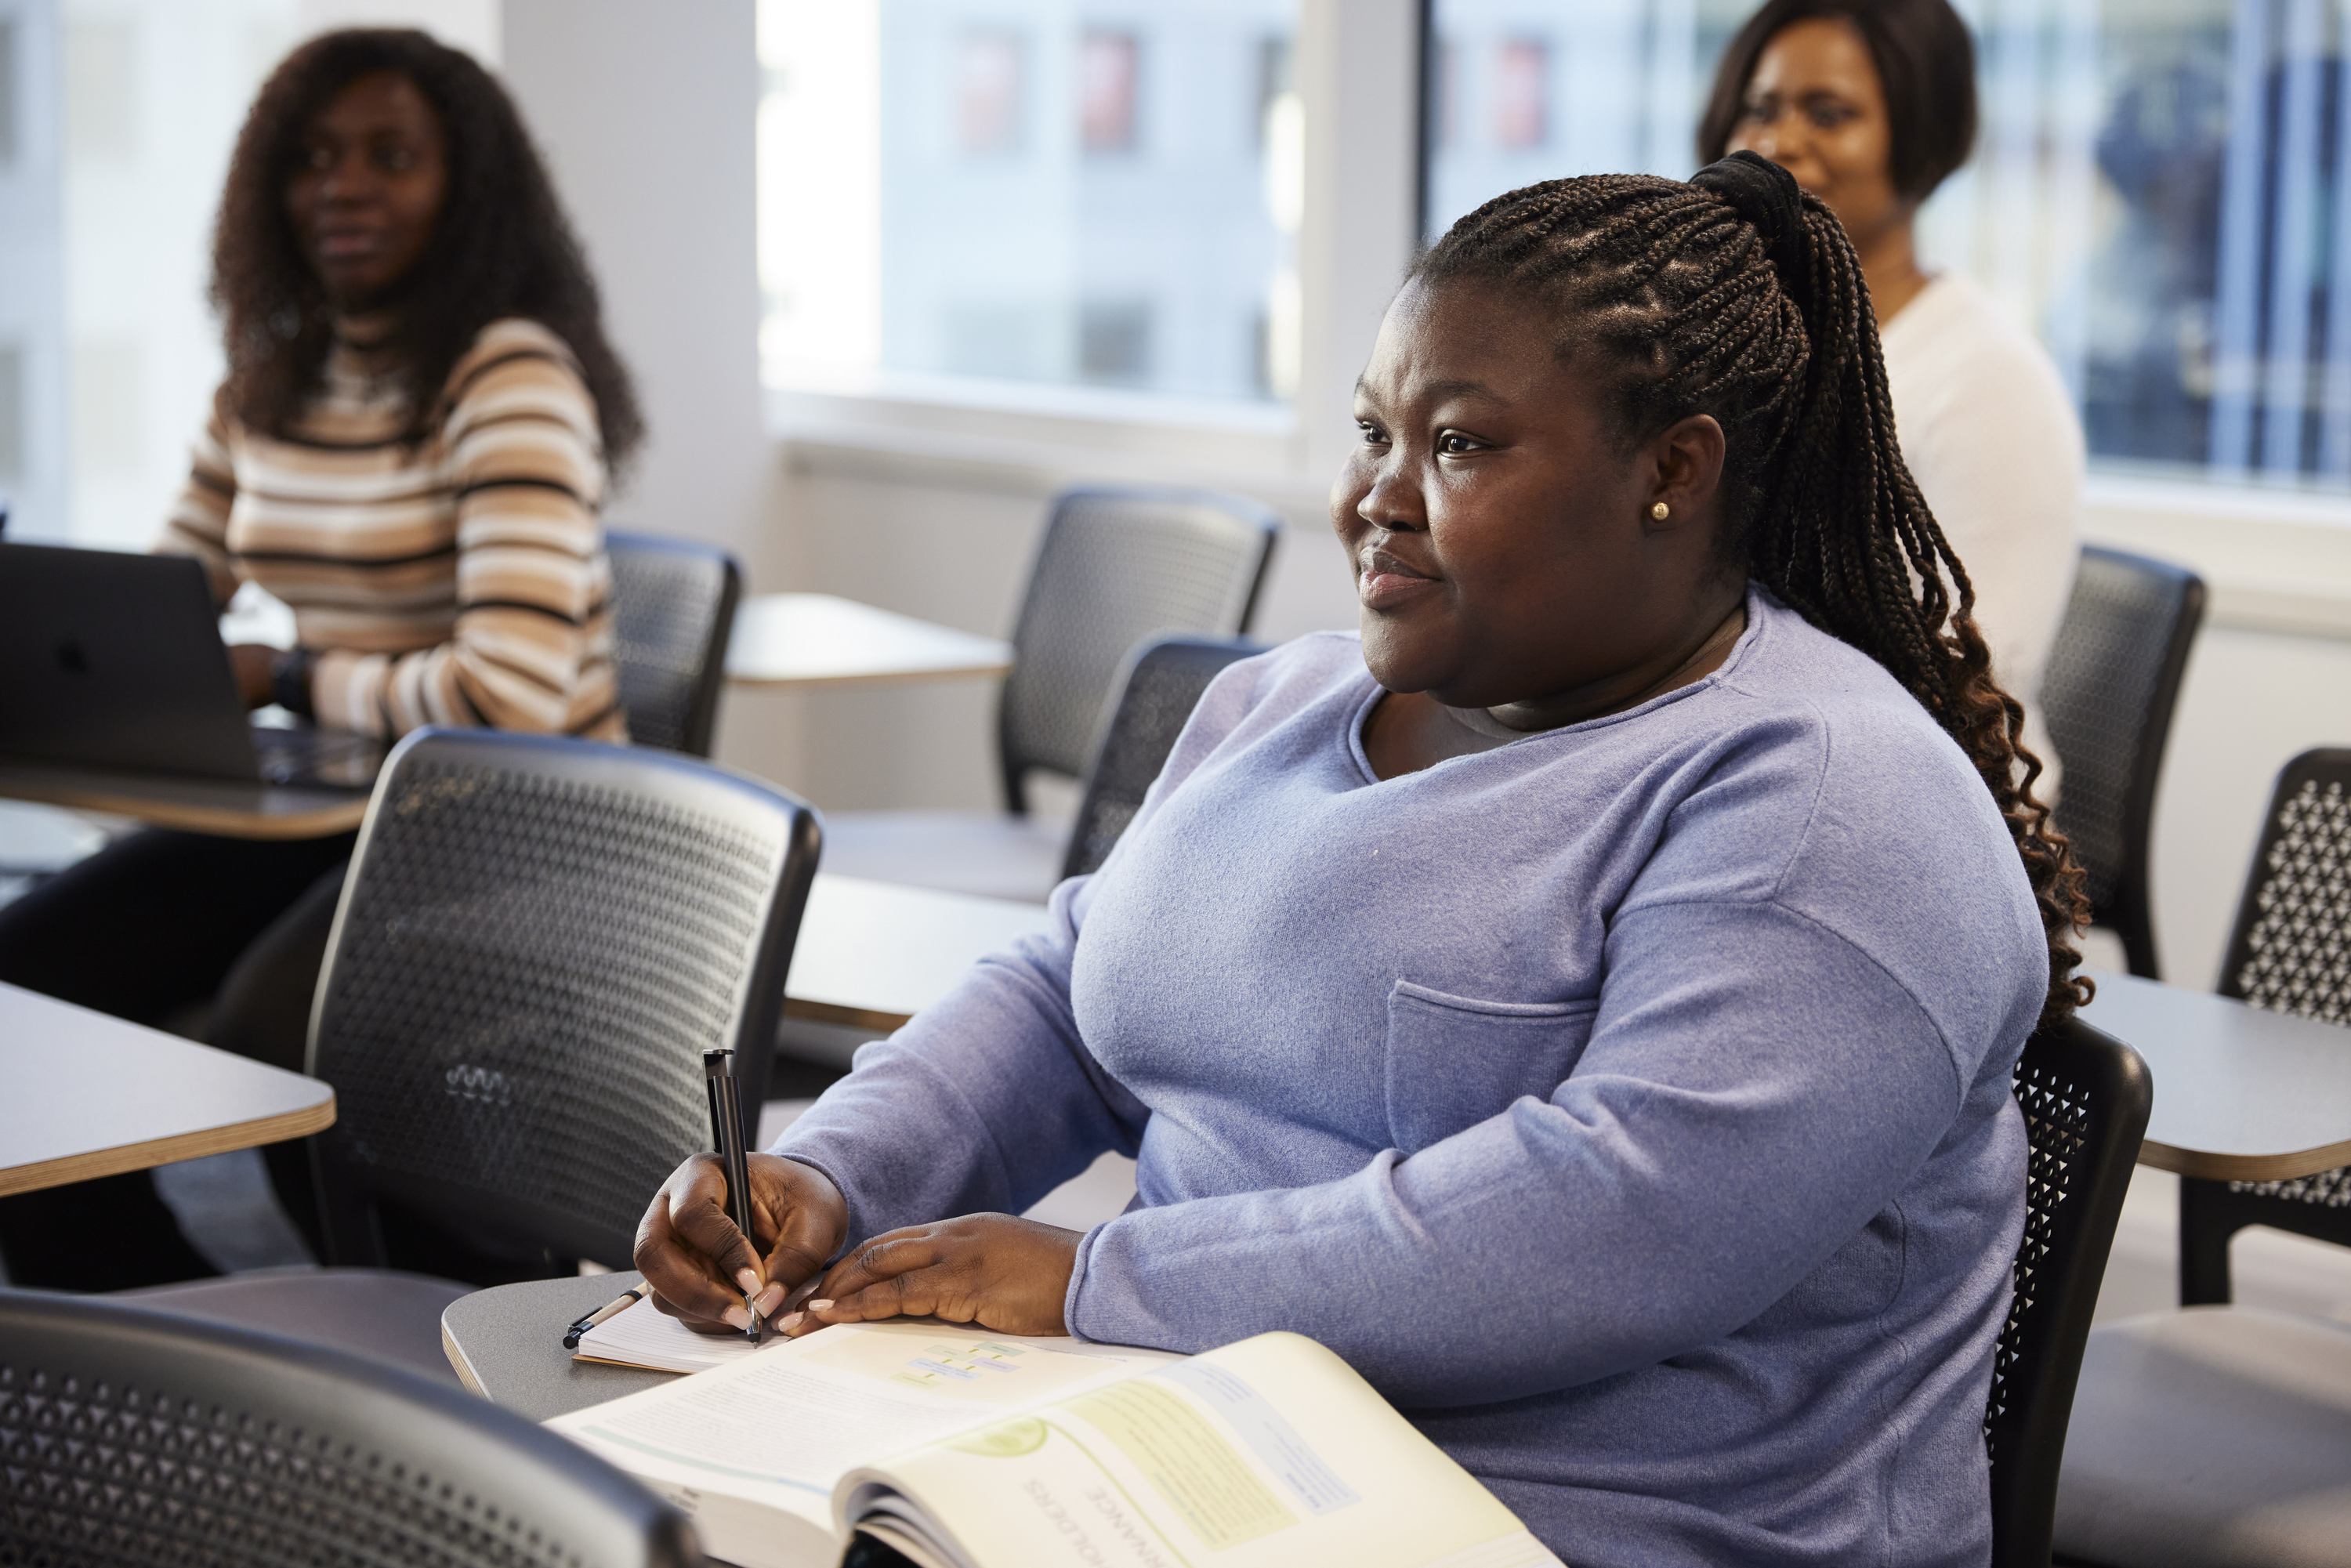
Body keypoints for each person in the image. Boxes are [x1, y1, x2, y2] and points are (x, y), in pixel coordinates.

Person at [632, 152, 2088, 1566]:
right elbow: (1074, 990)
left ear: (1673, 471)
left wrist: (1096, 1281)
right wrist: (832, 1172)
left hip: (1580, 1517)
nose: (1379, 495)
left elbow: (1611, 1224)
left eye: (1457, 443)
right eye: (1373, 433)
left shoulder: (1834, 804)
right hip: (1184, 1443)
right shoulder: (1289, 700)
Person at [0, 28, 638, 1289]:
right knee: (27, 980)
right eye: (313, 160)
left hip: (522, 824)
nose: (343, 186)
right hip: (331, 815)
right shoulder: (268, 382)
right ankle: (162, 1329)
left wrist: (284, 675)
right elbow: (169, 599)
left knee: (276, 1029)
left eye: (390, 157)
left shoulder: (506, 373)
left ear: (467, 190)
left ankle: (463, 1331)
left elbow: (501, 696)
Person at [1701, 0, 2082, 785]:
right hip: (1746, 752)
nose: (1778, 142)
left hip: (1929, 795)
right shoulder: (1735, 343)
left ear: (1922, 138)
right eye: (1761, 107)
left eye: (1830, 114)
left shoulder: (1988, 382)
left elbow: (1974, 681)